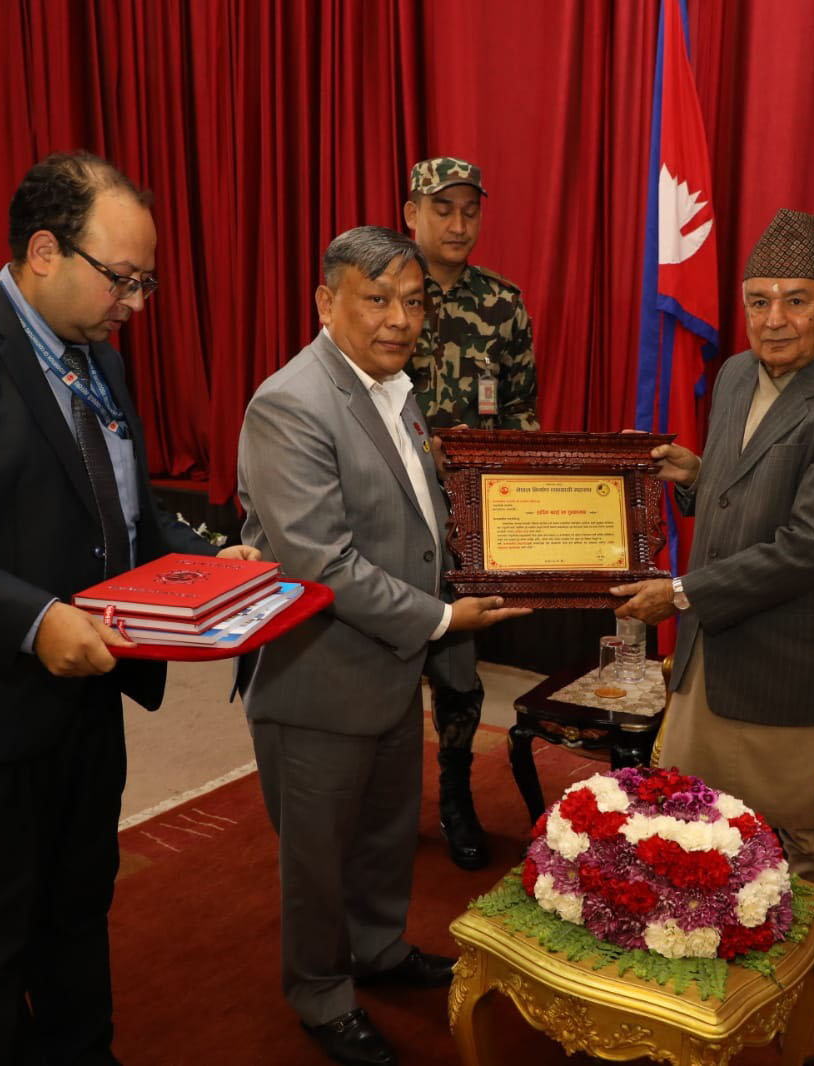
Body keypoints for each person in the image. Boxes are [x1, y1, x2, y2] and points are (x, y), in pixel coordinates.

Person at [0, 151, 259, 1065]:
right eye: (122, 279)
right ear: (42, 252)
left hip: (85, 695)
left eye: (144, 283)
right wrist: (33, 621)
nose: (134, 303)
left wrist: (206, 563)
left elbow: (125, 513)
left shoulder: (98, 358)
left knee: (77, 906)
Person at [236, 225, 528, 1066]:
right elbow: (319, 561)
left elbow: (419, 517)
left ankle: (376, 949)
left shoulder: (395, 388)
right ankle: (321, 994)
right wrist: (441, 620)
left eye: (412, 300)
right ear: (326, 303)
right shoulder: (291, 402)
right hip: (319, 677)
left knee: (383, 832)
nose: (400, 319)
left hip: (392, 669)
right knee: (318, 857)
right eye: (376, 300)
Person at [612, 208, 814, 904]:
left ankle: (808, 975)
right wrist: (694, 474)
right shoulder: (737, 374)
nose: (774, 320)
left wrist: (681, 594)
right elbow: (742, 489)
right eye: (758, 301)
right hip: (711, 660)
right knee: (691, 830)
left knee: (804, 847)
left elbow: (807, 546)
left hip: (789, 672)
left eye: (795, 301)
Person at [402, 155, 538, 869]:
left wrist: (514, 509)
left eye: (469, 210)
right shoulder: (387, 292)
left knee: (457, 669)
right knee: (387, 658)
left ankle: (454, 793)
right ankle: (386, 798)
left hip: (468, 515)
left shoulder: (502, 304)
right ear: (411, 214)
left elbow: (519, 413)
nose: (458, 223)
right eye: (442, 208)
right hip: (392, 507)